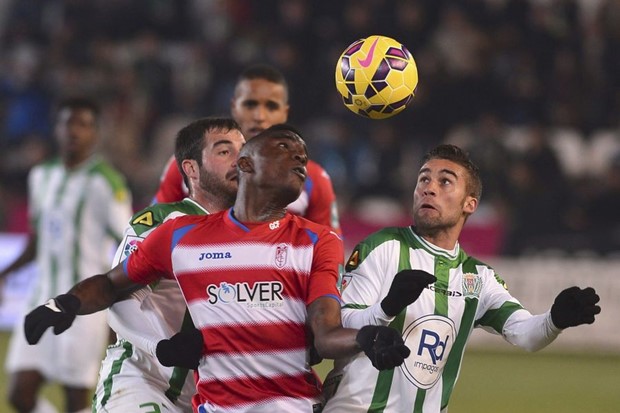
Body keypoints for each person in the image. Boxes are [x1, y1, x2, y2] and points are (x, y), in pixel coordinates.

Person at [22, 125, 410, 413]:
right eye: (284, 148)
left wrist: (365, 337)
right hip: (148, 380)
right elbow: (115, 289)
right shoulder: (174, 230)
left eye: (303, 155)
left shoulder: (317, 241)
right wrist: (65, 305)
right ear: (243, 166)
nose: (300, 158)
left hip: (277, 402)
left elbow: (325, 333)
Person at [321, 144, 601, 412]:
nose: (428, 188)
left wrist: (555, 320)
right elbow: (340, 326)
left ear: (470, 203)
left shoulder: (478, 278)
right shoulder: (383, 247)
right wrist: (387, 307)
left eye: (445, 182)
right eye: (423, 180)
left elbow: (525, 333)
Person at [92, 117, 245, 412]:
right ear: (191, 169)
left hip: (212, 398)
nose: (239, 160)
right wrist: (161, 346)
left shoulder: (256, 233)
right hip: (141, 380)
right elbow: (118, 297)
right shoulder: (160, 222)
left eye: (244, 150)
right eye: (225, 152)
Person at [0, 97, 133, 413]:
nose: (74, 131)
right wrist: (5, 273)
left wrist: (118, 301)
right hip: (39, 295)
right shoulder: (41, 176)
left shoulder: (106, 182)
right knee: (20, 394)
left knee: (75, 400)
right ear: (56, 127)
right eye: (68, 122)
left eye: (83, 124)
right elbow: (37, 241)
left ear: (95, 133)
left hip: (81, 302)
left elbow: (129, 244)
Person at [154, 63, 341, 234]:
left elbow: (327, 248)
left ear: (284, 113)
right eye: (250, 104)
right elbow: (153, 229)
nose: (259, 116)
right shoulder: (191, 164)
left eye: (271, 106)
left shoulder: (313, 179)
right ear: (234, 107)